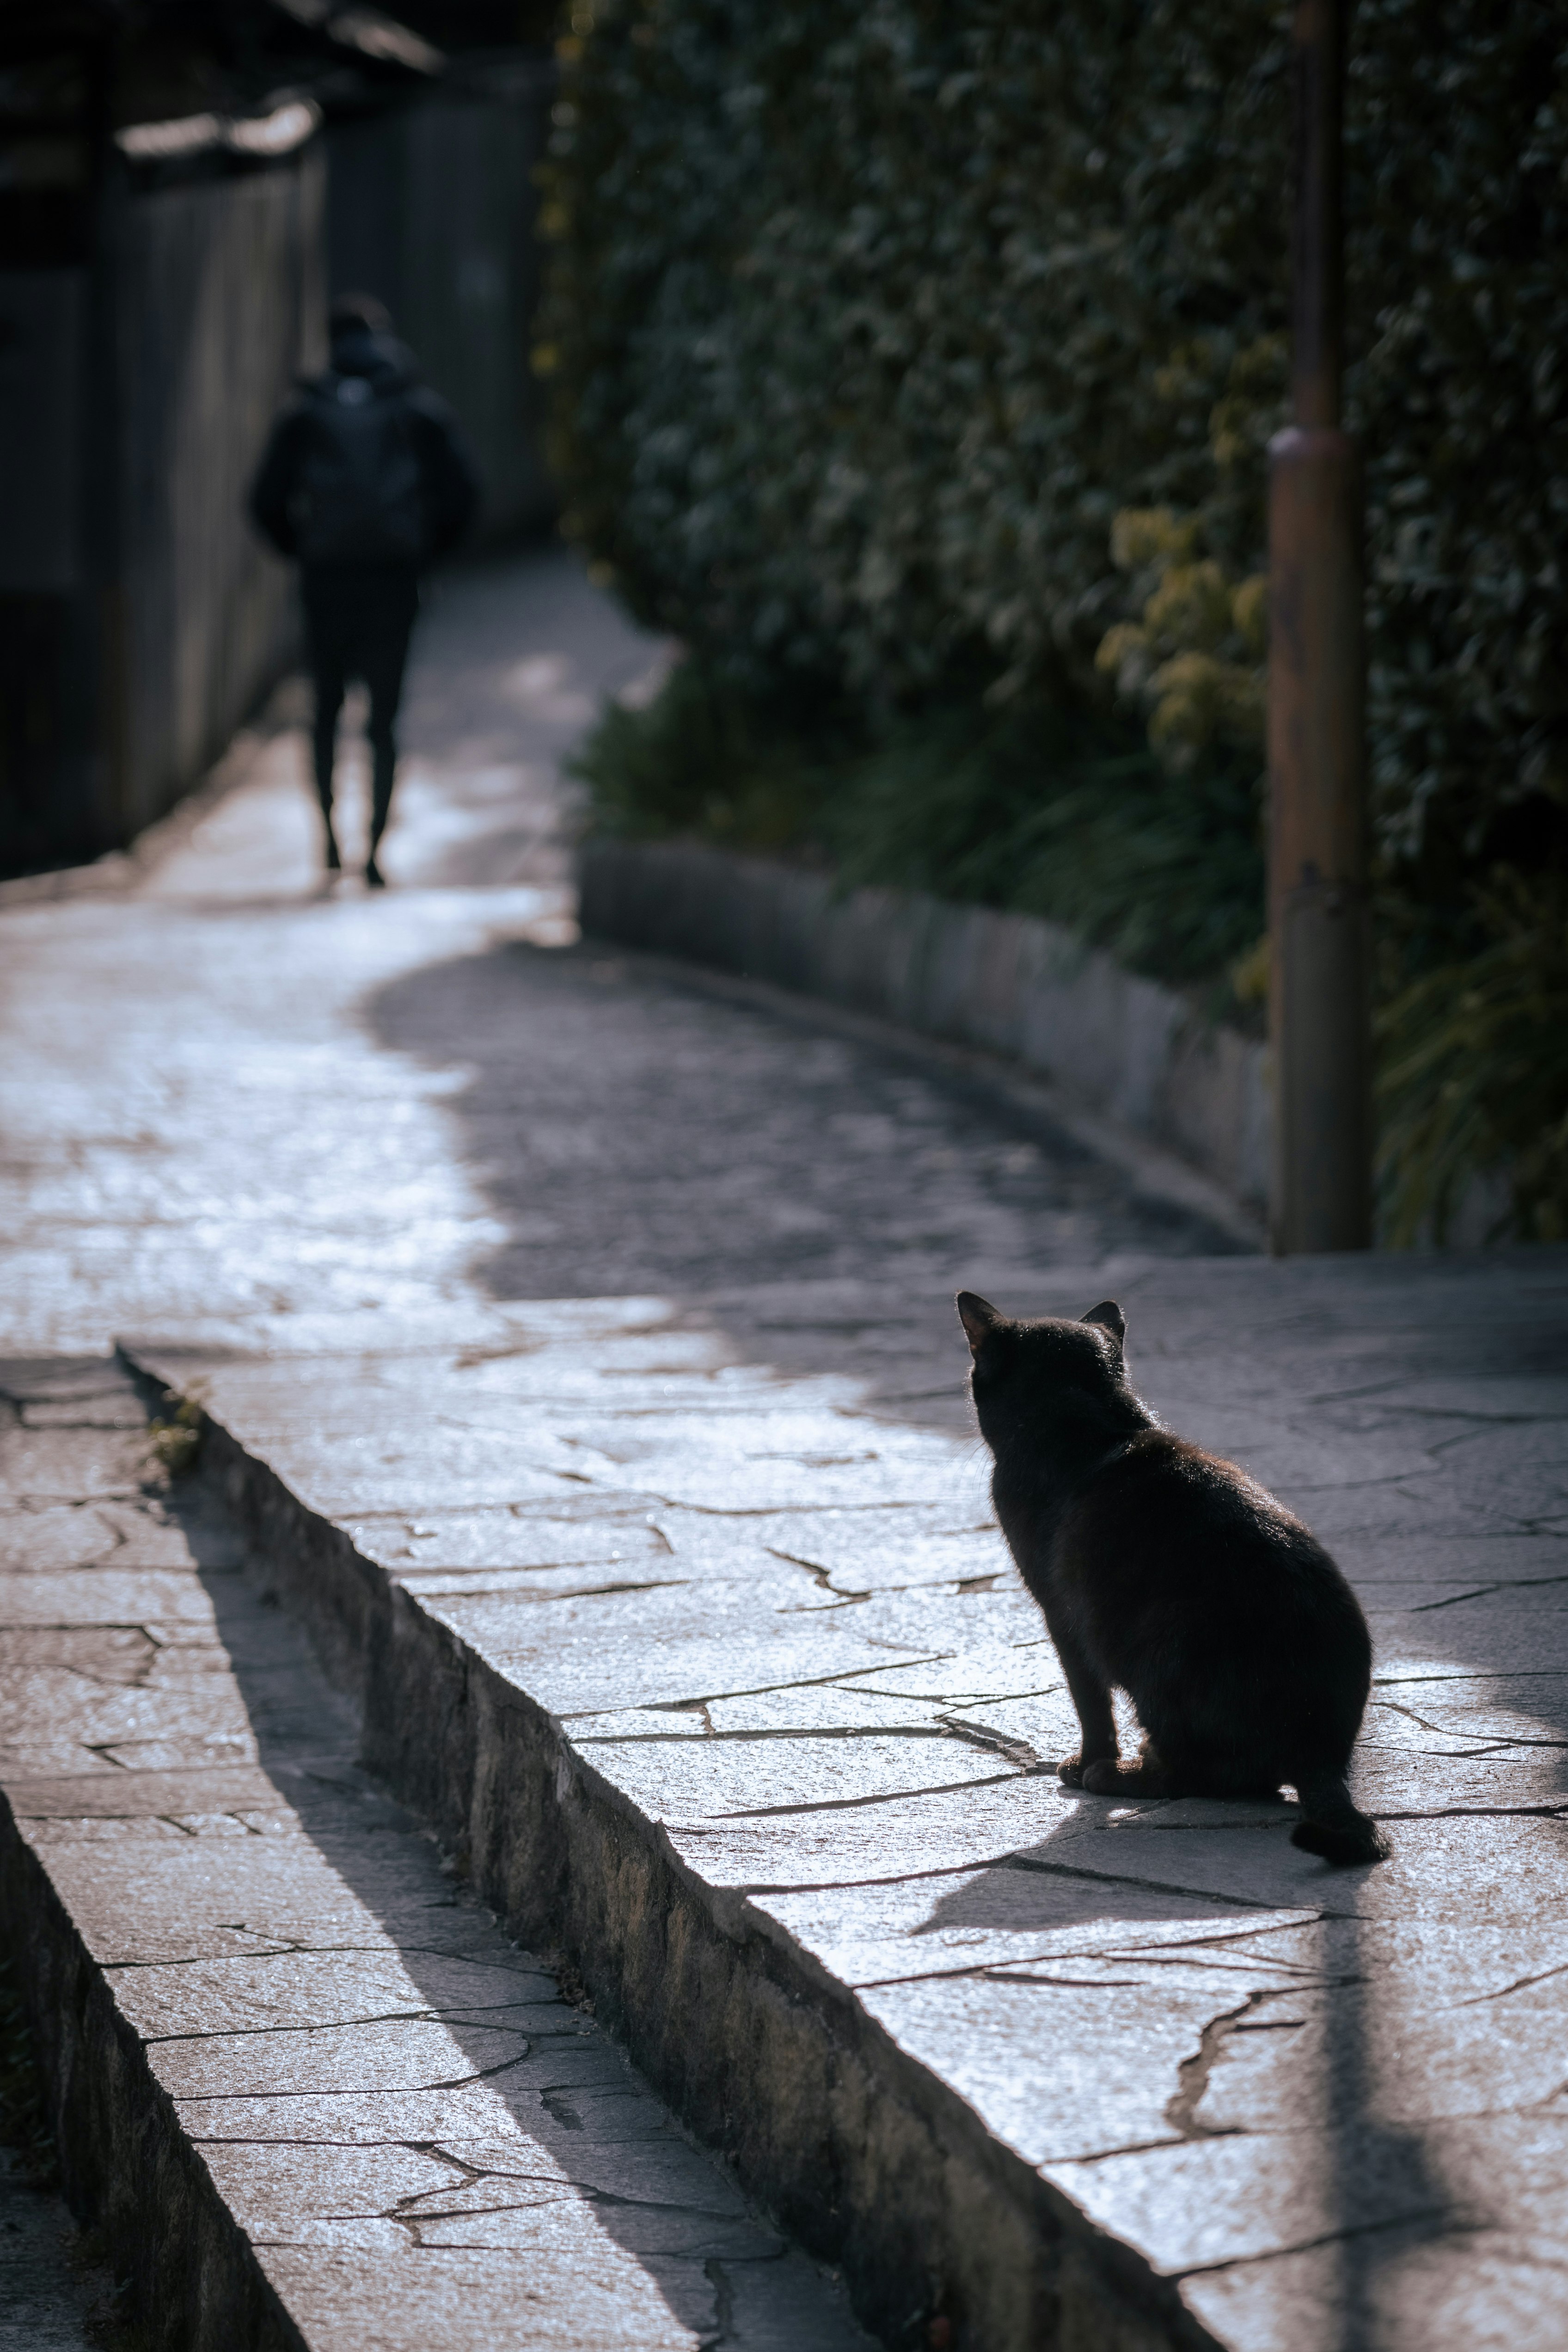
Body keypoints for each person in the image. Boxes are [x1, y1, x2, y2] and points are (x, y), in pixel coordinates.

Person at [250, 294, 480, 885]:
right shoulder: (414, 408)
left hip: (326, 580)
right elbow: (463, 495)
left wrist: (302, 550)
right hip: (393, 581)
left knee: (326, 712)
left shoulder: (306, 413)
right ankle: (374, 853)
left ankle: (328, 839)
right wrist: (424, 553)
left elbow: (264, 502)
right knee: (383, 721)